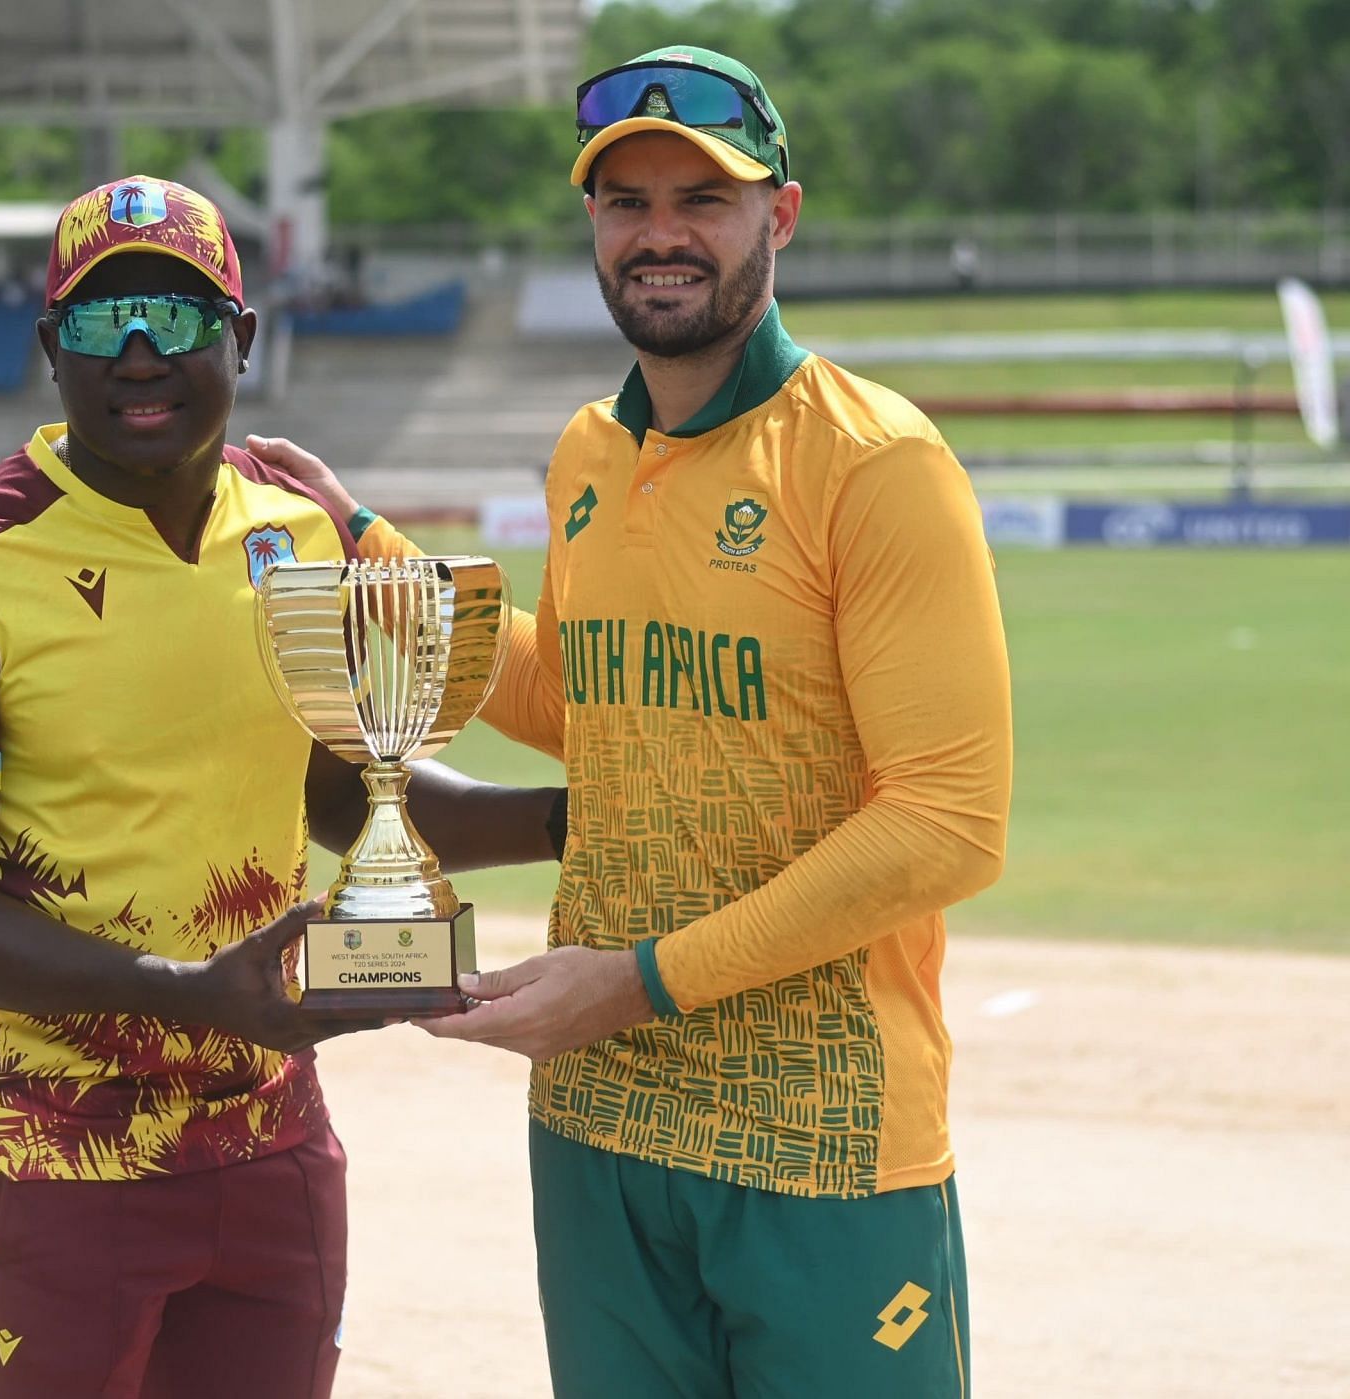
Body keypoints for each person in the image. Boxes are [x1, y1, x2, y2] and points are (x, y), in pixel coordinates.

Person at [247, 45, 1011, 1399]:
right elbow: (592, 703)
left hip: (816, 1135)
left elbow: (947, 825)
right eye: (626, 202)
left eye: (700, 200)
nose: (660, 233)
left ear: (778, 215)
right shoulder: (591, 452)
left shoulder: (876, 462)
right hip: (603, 1116)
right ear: (592, 227)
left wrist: (642, 977)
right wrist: (374, 552)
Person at [0, 175, 561, 1399]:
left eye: (172, 319)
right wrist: (191, 992)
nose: (135, 353)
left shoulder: (297, 538)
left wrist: (573, 819)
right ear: (47, 349)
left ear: (243, 338)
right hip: (48, 1150)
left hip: (271, 1135)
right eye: (96, 321)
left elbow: (351, 793)